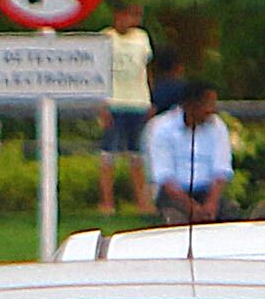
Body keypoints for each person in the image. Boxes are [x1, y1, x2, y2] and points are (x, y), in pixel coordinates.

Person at [90, 12, 159, 213]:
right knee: (108, 155)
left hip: (138, 102)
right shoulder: (106, 37)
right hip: (113, 102)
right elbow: (98, 73)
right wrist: (101, 105)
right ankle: (107, 203)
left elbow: (147, 70)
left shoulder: (141, 37)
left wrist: (150, 99)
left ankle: (142, 203)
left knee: (137, 155)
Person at [143, 81, 235, 224]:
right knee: (175, 220)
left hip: (207, 192)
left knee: (232, 214)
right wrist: (192, 207)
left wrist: (211, 203)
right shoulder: (162, 128)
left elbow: (221, 170)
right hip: (174, 196)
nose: (212, 109)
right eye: (208, 103)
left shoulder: (217, 126)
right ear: (191, 105)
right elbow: (165, 177)